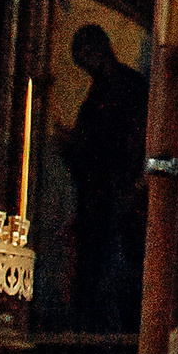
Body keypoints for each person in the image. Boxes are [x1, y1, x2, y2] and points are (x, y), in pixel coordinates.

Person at [62, 23, 149, 331]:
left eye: (86, 56)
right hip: (97, 194)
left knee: (116, 270)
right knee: (93, 268)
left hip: (120, 192)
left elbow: (135, 140)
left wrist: (131, 184)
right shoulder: (99, 88)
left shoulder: (130, 86)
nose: (85, 65)